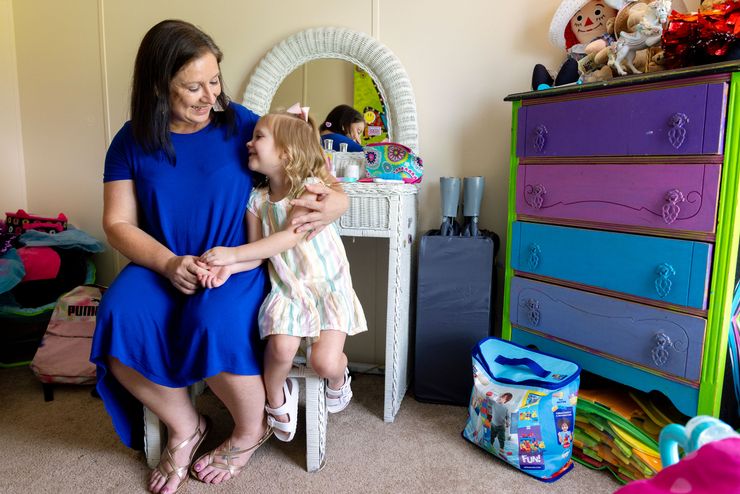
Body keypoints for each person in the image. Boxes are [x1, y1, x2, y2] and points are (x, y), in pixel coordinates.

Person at [90, 20, 349, 494]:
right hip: (160, 263)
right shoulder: (130, 141)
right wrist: (169, 263)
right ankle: (185, 425)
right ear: (157, 85)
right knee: (117, 318)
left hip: (234, 263)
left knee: (214, 322)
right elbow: (118, 224)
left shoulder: (243, 124)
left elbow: (310, 165)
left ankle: (250, 430)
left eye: (215, 81)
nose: (210, 96)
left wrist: (338, 201)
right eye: (193, 86)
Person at [198, 104, 367, 443]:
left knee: (324, 361)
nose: (249, 142)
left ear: (286, 153)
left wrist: (231, 253)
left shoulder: (311, 189)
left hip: (326, 286)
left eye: (259, 137)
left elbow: (288, 237)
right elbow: (258, 253)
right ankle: (276, 396)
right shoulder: (256, 201)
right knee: (279, 351)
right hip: (288, 289)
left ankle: (339, 378)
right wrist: (226, 268)